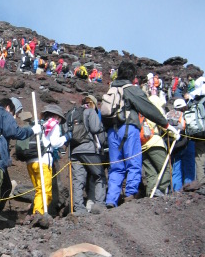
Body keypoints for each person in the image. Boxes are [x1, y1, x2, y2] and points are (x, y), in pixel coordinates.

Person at [104, 61, 180, 208]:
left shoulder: (111, 89)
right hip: (129, 130)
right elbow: (148, 109)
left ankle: (111, 200)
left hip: (112, 132)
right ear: (132, 75)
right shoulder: (131, 89)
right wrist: (166, 125)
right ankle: (130, 196)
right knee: (134, 163)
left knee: (116, 167)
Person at [0, 98, 40, 231]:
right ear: (8, 107)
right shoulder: (3, 114)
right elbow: (16, 132)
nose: (14, 117)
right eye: (14, 113)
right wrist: (33, 130)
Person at [26, 104, 69, 216]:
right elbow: (54, 143)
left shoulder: (38, 124)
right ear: (56, 116)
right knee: (45, 192)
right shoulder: (53, 124)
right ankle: (38, 214)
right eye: (59, 118)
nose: (59, 121)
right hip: (43, 161)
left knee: (39, 190)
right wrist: (66, 137)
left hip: (31, 161)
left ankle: (36, 213)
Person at [69, 95, 106, 215]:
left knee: (78, 180)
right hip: (88, 149)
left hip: (74, 151)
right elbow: (95, 129)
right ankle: (99, 204)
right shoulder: (90, 111)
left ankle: (79, 208)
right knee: (99, 175)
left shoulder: (72, 113)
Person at [140, 95, 172, 197]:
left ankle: (151, 194)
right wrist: (175, 134)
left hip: (143, 145)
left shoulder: (142, 111)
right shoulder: (154, 112)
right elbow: (164, 125)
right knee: (167, 169)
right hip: (155, 143)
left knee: (151, 173)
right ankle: (159, 190)